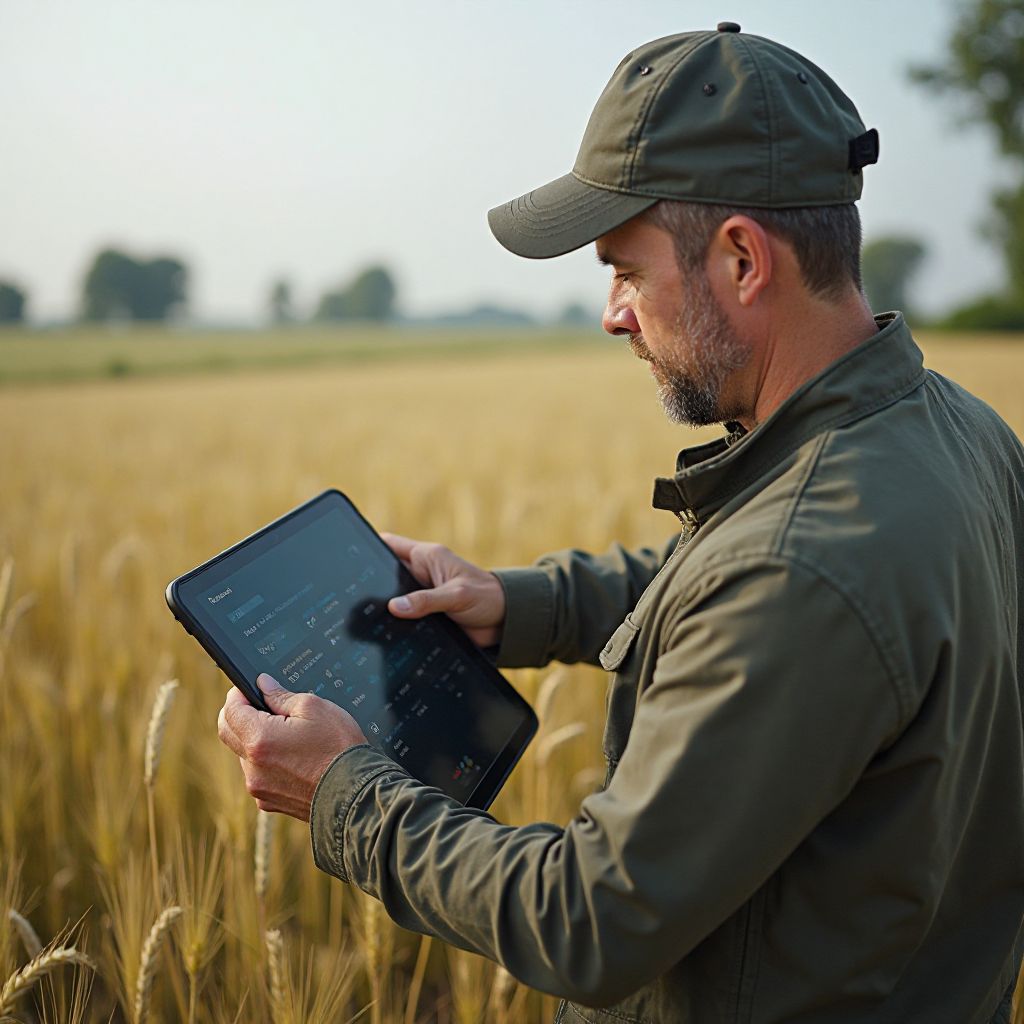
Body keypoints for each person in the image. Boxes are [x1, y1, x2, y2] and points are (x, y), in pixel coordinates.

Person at [217, 24, 1024, 1022]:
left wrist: (347, 794)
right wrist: (516, 604)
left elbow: (590, 921)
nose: (612, 312)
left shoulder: (800, 565)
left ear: (740, 259)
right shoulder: (956, 432)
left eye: (626, 270)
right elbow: (752, 590)